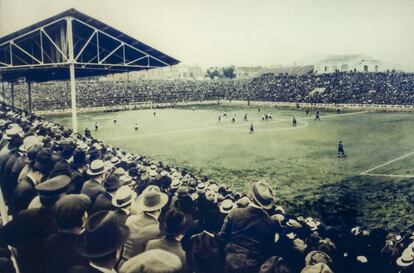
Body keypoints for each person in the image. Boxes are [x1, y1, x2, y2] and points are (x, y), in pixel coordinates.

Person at [220, 181, 276, 273]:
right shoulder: (270, 223)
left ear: (251, 197)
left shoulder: (235, 213)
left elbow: (222, 237)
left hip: (229, 260)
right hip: (253, 266)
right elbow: (268, 249)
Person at [121, 185, 169, 263]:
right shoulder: (158, 230)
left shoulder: (130, 219)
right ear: (159, 209)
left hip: (122, 262)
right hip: (138, 267)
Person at [45, 194, 91, 273]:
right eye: (84, 213)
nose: (86, 215)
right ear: (82, 219)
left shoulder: (49, 240)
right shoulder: (84, 248)